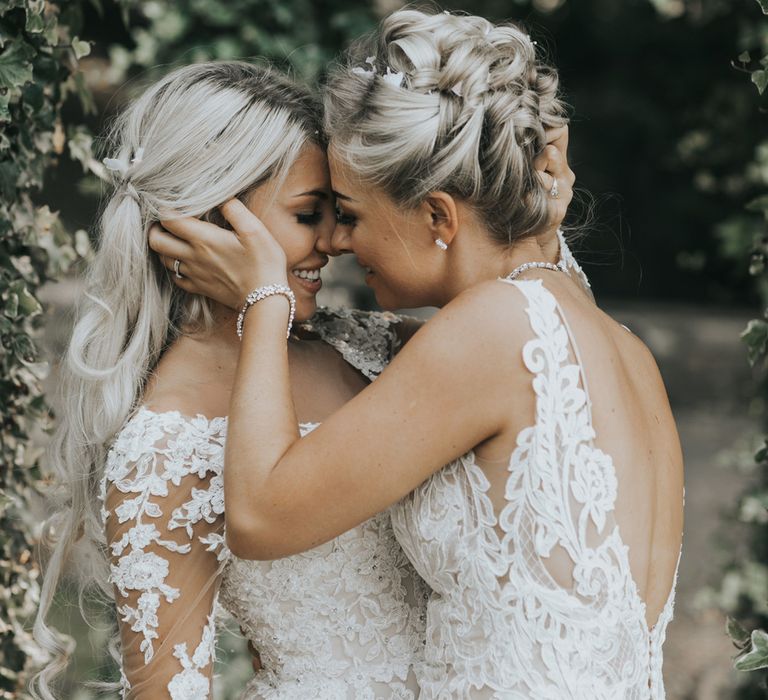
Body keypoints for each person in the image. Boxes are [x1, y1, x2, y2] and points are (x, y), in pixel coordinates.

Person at [149, 9, 684, 699]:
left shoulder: (490, 330)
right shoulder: (620, 347)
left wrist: (264, 298)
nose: (339, 241)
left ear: (437, 217)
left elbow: (256, 517)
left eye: (351, 212)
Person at [32, 59, 578, 699]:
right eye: (307, 214)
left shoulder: (371, 348)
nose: (336, 240)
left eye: (339, 212)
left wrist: (534, 223)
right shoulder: (163, 449)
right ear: (209, 221)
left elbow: (548, 372)